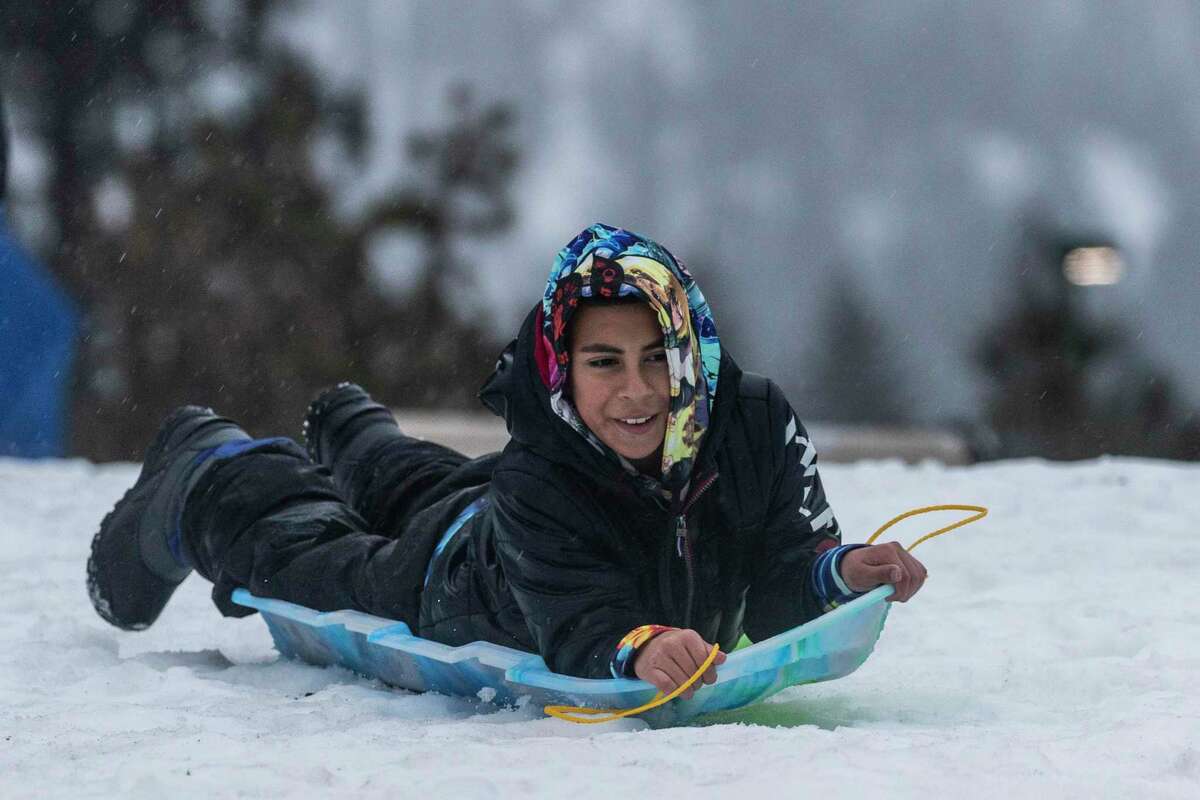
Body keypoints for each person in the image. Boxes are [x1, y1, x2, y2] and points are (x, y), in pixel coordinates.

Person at [87, 223, 927, 698]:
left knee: (430, 481)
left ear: (691, 351)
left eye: (658, 359)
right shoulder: (542, 473)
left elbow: (781, 564)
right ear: (565, 368)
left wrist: (841, 568)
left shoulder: (749, 425)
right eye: (604, 363)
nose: (638, 392)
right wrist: (634, 645)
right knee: (305, 552)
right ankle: (215, 470)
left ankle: (353, 431)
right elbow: (577, 621)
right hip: (460, 578)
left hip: (497, 504)